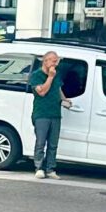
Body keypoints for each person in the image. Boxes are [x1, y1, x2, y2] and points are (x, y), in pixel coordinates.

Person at [29, 50, 65, 179]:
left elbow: (58, 89)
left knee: (53, 144)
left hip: (55, 113)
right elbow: (42, 92)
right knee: (41, 142)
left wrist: (65, 100)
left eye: (57, 61)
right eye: (53, 60)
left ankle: (50, 168)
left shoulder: (57, 74)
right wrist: (50, 77)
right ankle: (39, 167)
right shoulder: (36, 75)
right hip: (42, 113)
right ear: (46, 61)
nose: (55, 63)